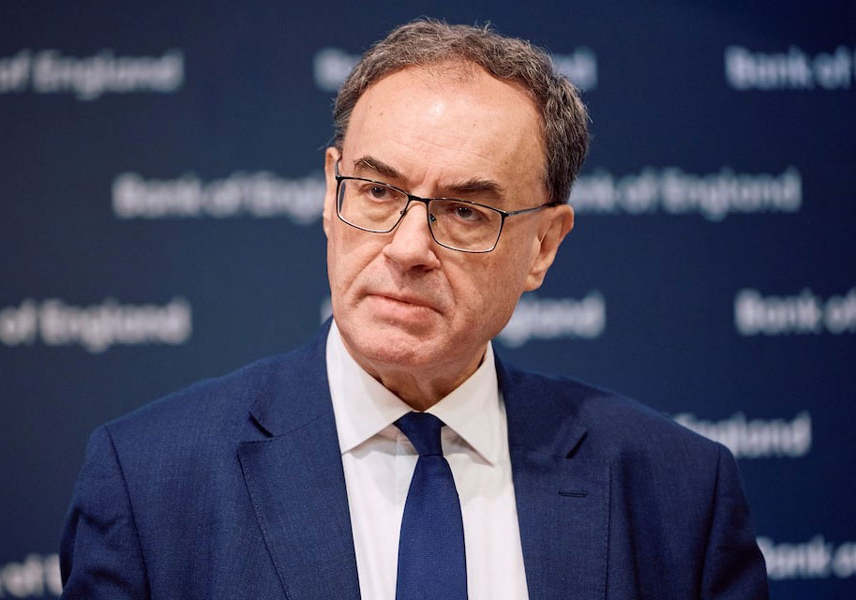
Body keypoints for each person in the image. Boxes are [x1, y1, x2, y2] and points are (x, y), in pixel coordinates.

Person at [60, 19, 769, 599]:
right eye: (376, 192)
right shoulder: (151, 481)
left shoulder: (678, 493)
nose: (407, 249)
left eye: (464, 210)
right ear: (330, 193)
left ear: (544, 246)